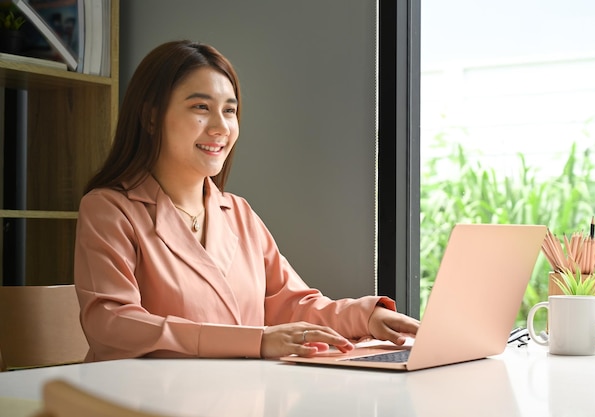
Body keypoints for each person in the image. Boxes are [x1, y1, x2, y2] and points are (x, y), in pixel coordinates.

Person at [74, 40, 420, 362]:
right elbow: (113, 322)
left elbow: (293, 304)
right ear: (151, 117)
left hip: (242, 397)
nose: (221, 126)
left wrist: (368, 317)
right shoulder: (109, 209)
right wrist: (255, 341)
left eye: (229, 110)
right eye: (201, 107)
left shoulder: (237, 213)